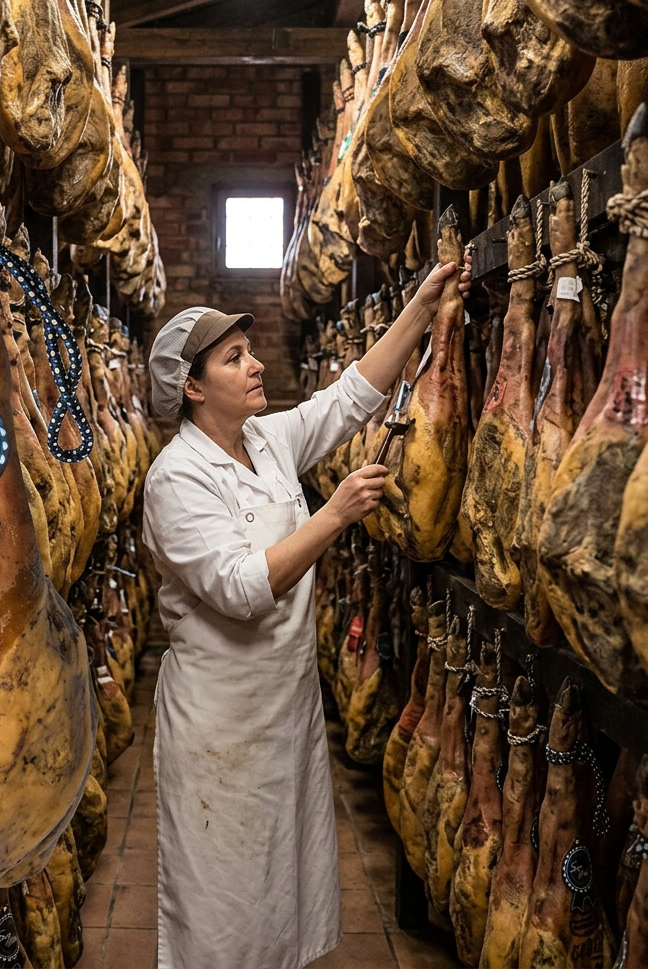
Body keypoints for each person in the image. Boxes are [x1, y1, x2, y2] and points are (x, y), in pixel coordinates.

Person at [142, 257, 472, 969]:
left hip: (284, 711)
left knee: (281, 893)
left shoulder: (267, 440)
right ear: (193, 388)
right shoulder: (176, 479)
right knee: (222, 904)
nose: (257, 366)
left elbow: (350, 397)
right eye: (236, 359)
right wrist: (336, 514)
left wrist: (421, 307)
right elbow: (236, 588)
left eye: (251, 352)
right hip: (219, 721)